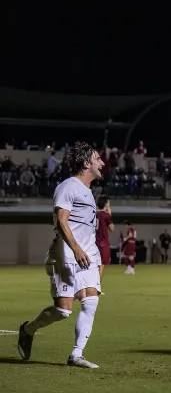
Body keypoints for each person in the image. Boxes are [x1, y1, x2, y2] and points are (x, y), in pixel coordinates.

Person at [18, 141, 105, 368]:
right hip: (65, 254)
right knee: (63, 310)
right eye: (98, 159)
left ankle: (76, 355)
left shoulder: (88, 192)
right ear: (87, 163)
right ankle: (28, 329)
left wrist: (95, 257)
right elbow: (61, 221)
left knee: (91, 301)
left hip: (87, 256)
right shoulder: (69, 186)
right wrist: (76, 248)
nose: (102, 163)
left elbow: (86, 230)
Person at [96, 195, 114, 288]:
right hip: (103, 242)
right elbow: (112, 228)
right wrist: (110, 215)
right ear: (106, 204)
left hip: (94, 242)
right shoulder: (106, 215)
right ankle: (97, 287)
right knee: (101, 265)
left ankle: (90, 286)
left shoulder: (94, 214)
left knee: (93, 266)